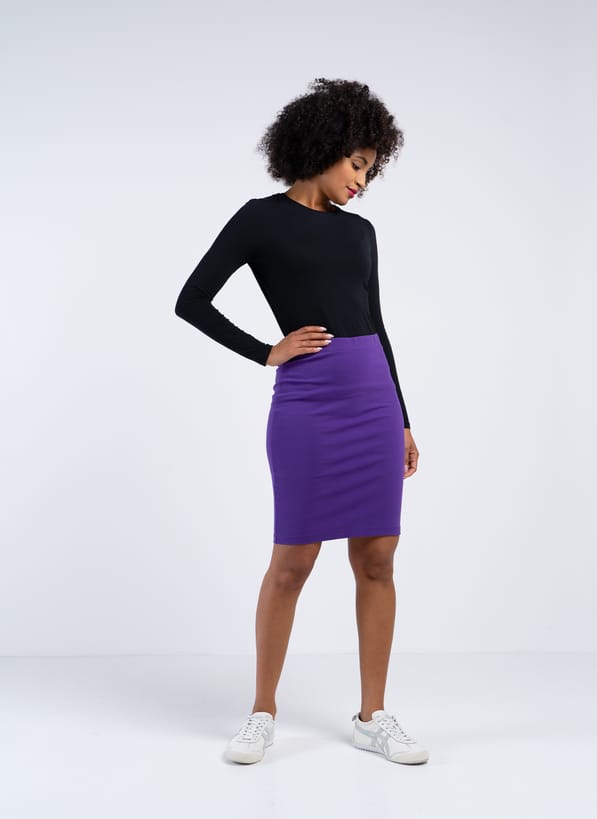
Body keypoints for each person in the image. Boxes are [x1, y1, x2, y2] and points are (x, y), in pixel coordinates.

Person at [174, 78, 427, 765]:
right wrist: (266, 350)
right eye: (357, 164)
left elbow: (376, 324)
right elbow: (191, 300)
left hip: (373, 400)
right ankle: (262, 711)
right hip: (308, 403)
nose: (362, 182)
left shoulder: (360, 232)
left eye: (370, 171)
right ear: (323, 146)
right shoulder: (259, 220)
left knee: (377, 557)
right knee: (293, 561)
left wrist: (403, 420)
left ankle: (372, 716)